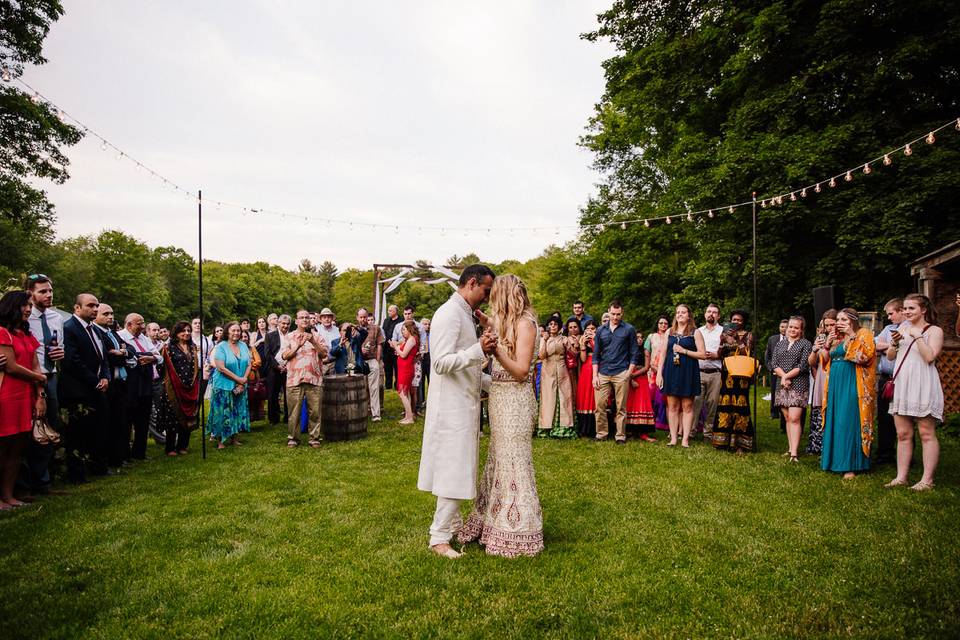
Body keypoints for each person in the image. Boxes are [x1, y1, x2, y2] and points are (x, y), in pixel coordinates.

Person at [458, 274, 543, 558]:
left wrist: (496, 352)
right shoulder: (507, 322)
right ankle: (493, 519)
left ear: (506, 295)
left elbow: (520, 372)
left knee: (515, 460)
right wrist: (484, 321)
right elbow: (496, 325)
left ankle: (519, 527)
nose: (491, 299)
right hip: (499, 399)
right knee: (499, 458)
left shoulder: (526, 324)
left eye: (495, 294)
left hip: (516, 402)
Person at [417, 264, 497, 559]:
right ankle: (438, 537)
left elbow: (466, 366)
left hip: (464, 402)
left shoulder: (465, 313)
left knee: (458, 467)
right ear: (472, 283)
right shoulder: (448, 313)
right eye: (486, 291)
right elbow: (440, 363)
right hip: (450, 407)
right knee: (453, 468)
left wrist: (493, 382)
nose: (487, 298)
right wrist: (479, 349)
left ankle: (452, 523)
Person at [884, 294, 944, 491]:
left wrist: (917, 335)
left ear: (923, 310)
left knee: (926, 433)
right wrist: (894, 343)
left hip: (923, 382)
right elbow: (891, 357)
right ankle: (901, 477)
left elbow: (929, 357)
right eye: (905, 308)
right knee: (902, 433)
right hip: (903, 383)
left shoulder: (934, 330)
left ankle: (927, 480)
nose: (907, 312)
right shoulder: (901, 328)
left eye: (912, 308)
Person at [0, 291, 46, 508]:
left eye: (29, 305)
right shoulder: (2, 333)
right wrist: (39, 377)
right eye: (24, 305)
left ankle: (9, 495)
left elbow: (36, 364)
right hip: (7, 395)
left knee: (17, 449)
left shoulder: (27, 335)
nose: (28, 309)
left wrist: (39, 395)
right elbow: (10, 366)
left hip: (26, 395)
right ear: (11, 307)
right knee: (3, 446)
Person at [59, 294, 111, 483]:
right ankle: (76, 472)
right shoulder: (69, 328)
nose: (95, 309)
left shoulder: (95, 330)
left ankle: (98, 466)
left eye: (97, 305)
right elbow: (72, 360)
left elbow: (103, 357)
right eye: (90, 305)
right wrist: (94, 380)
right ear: (77, 308)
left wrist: (105, 376)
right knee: (77, 432)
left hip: (98, 387)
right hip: (78, 389)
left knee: (99, 428)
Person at [820, 309, 877, 480]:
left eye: (843, 319)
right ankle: (833, 461)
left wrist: (851, 335)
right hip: (835, 383)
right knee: (836, 419)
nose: (839, 322)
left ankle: (851, 465)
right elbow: (825, 361)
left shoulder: (863, 333)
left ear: (853, 320)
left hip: (853, 381)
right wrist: (826, 345)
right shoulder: (837, 337)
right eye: (838, 319)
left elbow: (864, 357)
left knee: (848, 420)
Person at [23, 274, 64, 496]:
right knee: (28, 428)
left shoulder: (56, 318)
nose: (48, 295)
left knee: (50, 426)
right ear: (30, 293)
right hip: (28, 377)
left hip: (52, 375)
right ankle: (28, 483)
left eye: (50, 290)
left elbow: (61, 347)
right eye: (42, 291)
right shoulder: (23, 317)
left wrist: (60, 353)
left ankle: (44, 481)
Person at [92, 304, 135, 468]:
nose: (110, 317)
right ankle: (108, 459)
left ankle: (119, 457)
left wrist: (123, 352)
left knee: (120, 421)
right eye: (105, 314)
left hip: (120, 383)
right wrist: (120, 355)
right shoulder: (96, 333)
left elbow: (130, 350)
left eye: (111, 313)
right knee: (107, 422)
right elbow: (108, 357)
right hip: (107, 383)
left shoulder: (112, 333)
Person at [657, 304, 705, 448]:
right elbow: (663, 354)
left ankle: (685, 439)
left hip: (688, 372)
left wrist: (684, 351)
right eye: (678, 312)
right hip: (671, 371)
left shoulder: (695, 332)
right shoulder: (669, 332)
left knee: (687, 405)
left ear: (689, 315)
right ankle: (673, 438)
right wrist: (659, 373)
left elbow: (702, 354)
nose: (680, 315)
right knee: (672, 406)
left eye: (683, 312)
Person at [592, 301, 638, 444]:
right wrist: (595, 375)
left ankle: (620, 436)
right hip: (603, 372)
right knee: (599, 406)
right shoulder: (600, 330)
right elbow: (596, 354)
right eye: (613, 314)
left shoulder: (629, 329)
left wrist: (628, 373)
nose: (615, 317)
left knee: (621, 407)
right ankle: (601, 434)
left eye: (618, 314)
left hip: (621, 372)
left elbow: (634, 353)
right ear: (608, 311)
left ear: (622, 313)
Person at [118, 313, 162, 461]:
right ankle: (124, 453)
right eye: (139, 324)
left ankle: (140, 452)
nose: (143, 327)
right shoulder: (120, 337)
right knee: (126, 420)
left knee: (143, 418)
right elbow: (127, 358)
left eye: (143, 323)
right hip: (129, 385)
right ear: (129, 324)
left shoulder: (143, 338)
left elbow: (159, 356)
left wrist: (151, 357)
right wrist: (142, 356)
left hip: (146, 383)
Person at [712, 309, 757, 453]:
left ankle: (741, 444)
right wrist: (721, 341)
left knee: (740, 406)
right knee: (725, 404)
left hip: (741, 375)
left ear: (743, 321)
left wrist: (737, 339)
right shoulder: (726, 335)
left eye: (739, 320)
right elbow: (719, 355)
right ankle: (722, 440)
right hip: (727, 374)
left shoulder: (748, 335)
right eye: (734, 319)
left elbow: (747, 352)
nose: (736, 322)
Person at [282, 310, 328, 448]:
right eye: (301, 318)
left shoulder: (317, 336)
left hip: (314, 378)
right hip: (294, 379)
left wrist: (313, 341)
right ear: (296, 321)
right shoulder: (289, 337)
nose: (304, 320)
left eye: (307, 318)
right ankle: (293, 438)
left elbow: (324, 354)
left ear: (311, 320)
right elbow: (285, 356)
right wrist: (298, 345)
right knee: (294, 411)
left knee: (314, 410)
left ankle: (314, 437)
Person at [772, 316, 813, 462]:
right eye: (791, 327)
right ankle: (790, 448)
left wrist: (787, 376)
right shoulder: (780, 344)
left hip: (798, 383)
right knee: (787, 417)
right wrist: (783, 377)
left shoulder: (806, 344)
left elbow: (803, 365)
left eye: (796, 327)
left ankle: (795, 453)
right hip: (782, 383)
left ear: (801, 330)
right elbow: (774, 363)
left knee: (795, 418)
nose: (792, 330)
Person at [156, 321, 199, 456]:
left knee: (188, 416)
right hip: (173, 388)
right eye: (183, 331)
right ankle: (170, 447)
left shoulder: (193, 347)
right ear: (176, 333)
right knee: (173, 416)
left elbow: (195, 367)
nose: (186, 333)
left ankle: (183, 445)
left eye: (188, 330)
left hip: (189, 386)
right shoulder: (168, 348)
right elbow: (160, 368)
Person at [209, 322, 252, 449]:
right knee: (222, 412)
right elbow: (221, 367)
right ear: (227, 332)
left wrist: (243, 380)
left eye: (238, 331)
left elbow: (249, 363)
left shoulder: (243, 345)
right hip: (223, 384)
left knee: (237, 411)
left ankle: (234, 438)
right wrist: (238, 379)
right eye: (233, 330)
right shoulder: (221, 346)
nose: (236, 333)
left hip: (240, 384)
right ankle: (220, 440)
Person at [873, 299, 903, 464]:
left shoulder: (909, 329)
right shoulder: (888, 328)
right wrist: (890, 344)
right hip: (886, 379)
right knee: (884, 418)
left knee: (904, 418)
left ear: (901, 311)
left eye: (891, 313)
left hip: (903, 379)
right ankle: (885, 453)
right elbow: (874, 344)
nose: (890, 317)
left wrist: (886, 346)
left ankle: (906, 454)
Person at [538, 316, 576, 438]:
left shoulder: (564, 338)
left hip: (562, 370)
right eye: (550, 324)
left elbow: (574, 354)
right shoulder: (544, 339)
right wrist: (544, 340)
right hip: (547, 371)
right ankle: (547, 427)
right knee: (549, 397)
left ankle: (564, 428)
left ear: (559, 326)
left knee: (564, 397)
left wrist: (569, 345)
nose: (553, 326)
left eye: (555, 324)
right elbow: (542, 356)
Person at [805, 309, 837, 454]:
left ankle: (832, 446)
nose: (829, 328)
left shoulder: (843, 339)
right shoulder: (820, 337)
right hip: (821, 376)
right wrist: (814, 349)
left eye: (832, 324)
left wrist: (828, 345)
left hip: (834, 376)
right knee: (819, 410)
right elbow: (812, 362)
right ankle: (817, 445)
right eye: (826, 325)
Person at [694, 304, 724, 443]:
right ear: (705, 314)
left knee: (713, 402)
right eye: (709, 311)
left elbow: (729, 352)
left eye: (714, 312)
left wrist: (716, 355)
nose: (711, 314)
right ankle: (692, 430)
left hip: (715, 372)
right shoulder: (698, 331)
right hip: (698, 370)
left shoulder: (723, 331)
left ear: (718, 316)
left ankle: (708, 431)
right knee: (696, 401)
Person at [625, 330, 655, 441]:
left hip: (641, 379)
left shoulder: (645, 351)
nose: (640, 339)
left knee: (642, 404)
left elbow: (646, 368)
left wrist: (632, 376)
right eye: (637, 337)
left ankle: (643, 433)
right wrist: (630, 378)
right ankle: (631, 432)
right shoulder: (627, 350)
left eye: (641, 337)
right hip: (629, 379)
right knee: (630, 404)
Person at [358, 308, 384, 421]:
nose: (363, 319)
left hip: (372, 360)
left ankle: (376, 414)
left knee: (374, 387)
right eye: (361, 317)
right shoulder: (354, 330)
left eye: (365, 317)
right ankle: (361, 412)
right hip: (359, 362)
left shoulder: (375, 328)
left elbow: (379, 345)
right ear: (357, 317)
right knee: (361, 388)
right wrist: (360, 350)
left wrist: (377, 361)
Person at [645, 315, 670, 433]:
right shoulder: (651, 337)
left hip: (667, 369)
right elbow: (647, 353)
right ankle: (651, 420)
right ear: (657, 324)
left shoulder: (671, 337)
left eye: (665, 323)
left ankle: (663, 422)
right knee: (651, 395)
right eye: (661, 323)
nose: (663, 325)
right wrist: (651, 366)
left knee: (663, 396)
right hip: (652, 369)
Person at [264, 314, 291, 425]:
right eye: (283, 323)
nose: (285, 325)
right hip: (273, 369)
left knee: (288, 394)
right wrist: (277, 366)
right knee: (272, 394)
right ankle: (273, 418)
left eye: (287, 323)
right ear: (278, 323)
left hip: (289, 369)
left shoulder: (292, 335)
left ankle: (288, 417)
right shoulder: (270, 336)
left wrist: (287, 366)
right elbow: (267, 354)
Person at [575, 320, 598, 438]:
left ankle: (595, 429)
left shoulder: (600, 339)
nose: (590, 331)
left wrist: (594, 340)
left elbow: (600, 354)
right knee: (584, 397)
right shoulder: (582, 340)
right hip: (585, 370)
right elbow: (583, 359)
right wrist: (583, 345)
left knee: (594, 398)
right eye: (588, 329)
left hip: (597, 369)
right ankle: (584, 429)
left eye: (593, 328)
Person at [394, 320, 420, 424]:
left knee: (402, 393)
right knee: (406, 392)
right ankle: (407, 416)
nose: (402, 332)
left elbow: (404, 354)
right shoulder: (408, 339)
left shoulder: (412, 339)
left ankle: (410, 418)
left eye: (404, 330)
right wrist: (397, 347)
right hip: (403, 368)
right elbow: (402, 351)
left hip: (406, 369)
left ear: (410, 329)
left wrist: (396, 347)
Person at [765, 319, 789, 422]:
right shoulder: (772, 339)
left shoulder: (792, 339)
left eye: (786, 326)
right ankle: (774, 412)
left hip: (788, 371)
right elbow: (767, 355)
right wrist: (771, 368)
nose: (784, 329)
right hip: (774, 370)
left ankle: (785, 414)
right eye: (782, 326)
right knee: (774, 391)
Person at [240, 328, 265, 422]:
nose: (244, 338)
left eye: (245, 336)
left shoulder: (252, 348)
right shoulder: (236, 348)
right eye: (242, 337)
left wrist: (250, 365)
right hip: (239, 377)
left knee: (252, 399)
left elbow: (258, 362)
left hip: (252, 377)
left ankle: (251, 419)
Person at [381, 305, 402, 390]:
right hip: (386, 348)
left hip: (396, 347)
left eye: (390, 311)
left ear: (396, 311)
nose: (388, 312)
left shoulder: (401, 321)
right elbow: (383, 331)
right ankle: (388, 385)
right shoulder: (386, 320)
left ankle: (397, 385)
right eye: (388, 310)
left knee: (397, 367)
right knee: (387, 367)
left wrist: (395, 343)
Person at [315, 308, 340, 375]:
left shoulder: (337, 330)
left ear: (332, 318)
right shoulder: (316, 330)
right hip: (321, 362)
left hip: (335, 361)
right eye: (324, 317)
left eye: (329, 317)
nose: (327, 319)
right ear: (321, 319)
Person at [418, 317, 432, 412]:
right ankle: (421, 401)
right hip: (421, 358)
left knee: (431, 380)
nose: (427, 326)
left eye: (428, 324)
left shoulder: (433, 335)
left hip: (430, 357)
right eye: (425, 324)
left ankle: (431, 401)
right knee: (421, 380)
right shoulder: (418, 336)